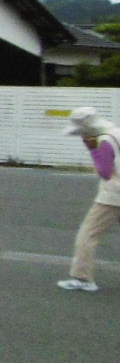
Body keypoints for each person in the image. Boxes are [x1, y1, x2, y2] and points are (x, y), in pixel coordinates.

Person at [58, 106, 120, 292]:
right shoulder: (117, 132)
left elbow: (105, 172)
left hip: (113, 196)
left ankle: (82, 278)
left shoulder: (102, 141)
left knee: (88, 235)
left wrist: (92, 148)